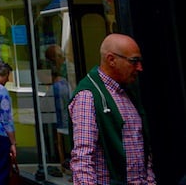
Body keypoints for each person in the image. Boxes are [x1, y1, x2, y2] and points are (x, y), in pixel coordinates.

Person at [69, 33, 155, 184]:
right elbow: (82, 158)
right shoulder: (88, 96)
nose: (139, 68)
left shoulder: (128, 93)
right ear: (111, 60)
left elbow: (143, 149)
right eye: (134, 61)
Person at [45, 44, 71, 166]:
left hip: (65, 114)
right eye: (60, 56)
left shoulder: (65, 75)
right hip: (61, 114)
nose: (63, 59)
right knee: (59, 137)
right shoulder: (58, 80)